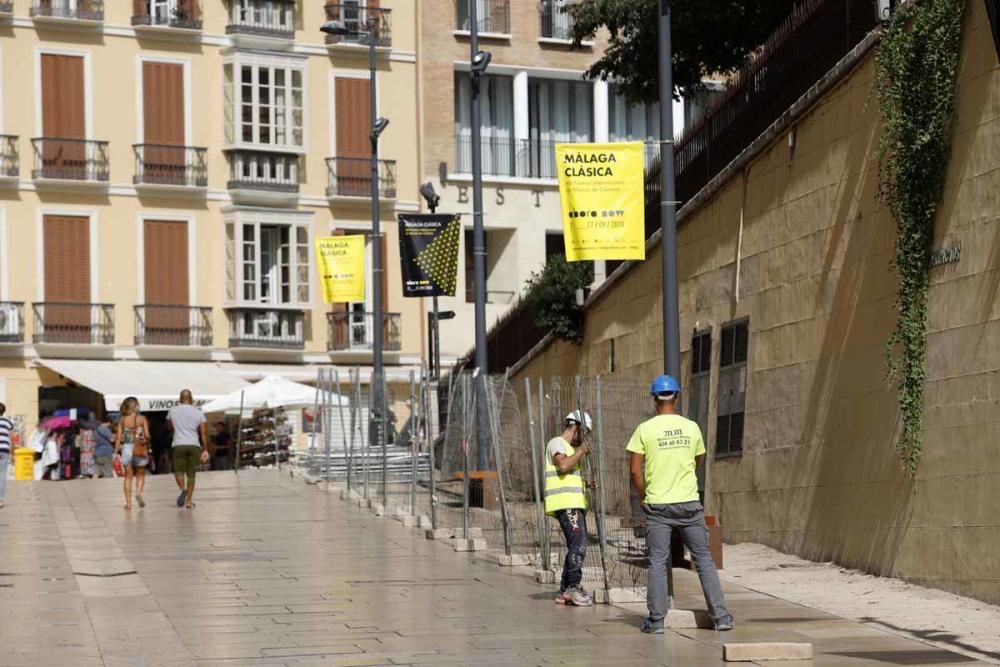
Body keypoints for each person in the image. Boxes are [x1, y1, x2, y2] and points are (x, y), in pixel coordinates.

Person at [627, 375, 734, 634]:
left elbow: (635, 471)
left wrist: (644, 495)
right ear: (676, 397)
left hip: (658, 505)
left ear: (655, 399)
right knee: (704, 561)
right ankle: (721, 617)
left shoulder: (645, 429)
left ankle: (656, 621)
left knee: (657, 562)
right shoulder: (692, 427)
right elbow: (696, 460)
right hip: (688, 504)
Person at [545, 410, 595, 607]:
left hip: (573, 503)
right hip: (565, 504)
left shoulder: (569, 448)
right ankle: (573, 587)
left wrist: (587, 483)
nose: (585, 438)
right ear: (577, 427)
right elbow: (563, 466)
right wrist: (582, 450)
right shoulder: (558, 443)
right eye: (585, 432)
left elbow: (569, 474)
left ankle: (564, 589)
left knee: (576, 543)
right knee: (579, 544)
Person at [167, 390, 208, 509]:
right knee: (191, 475)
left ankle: (182, 489)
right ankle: (189, 501)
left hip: (178, 444)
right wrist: (205, 449)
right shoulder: (198, 412)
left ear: (180, 398)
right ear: (192, 399)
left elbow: (169, 427)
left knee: (178, 470)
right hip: (194, 444)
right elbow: (203, 433)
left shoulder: (173, 411)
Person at [114, 397, 151, 510]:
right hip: (139, 448)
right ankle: (138, 493)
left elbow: (118, 438)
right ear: (135, 406)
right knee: (140, 474)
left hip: (126, 448)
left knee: (128, 477)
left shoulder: (122, 420)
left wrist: (115, 452)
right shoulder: (142, 418)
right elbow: (148, 435)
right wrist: (145, 440)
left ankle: (128, 503)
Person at [0, 403, 12, 508]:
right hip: (4, 450)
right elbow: (11, 436)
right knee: (2, 475)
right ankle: (0, 500)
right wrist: (12, 451)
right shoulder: (7, 422)